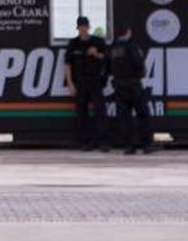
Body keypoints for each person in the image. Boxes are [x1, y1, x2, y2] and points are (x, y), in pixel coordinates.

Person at [64, 15, 109, 150]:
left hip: (95, 81)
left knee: (100, 111)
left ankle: (103, 142)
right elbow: (67, 64)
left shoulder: (98, 41)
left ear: (89, 27)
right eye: (80, 27)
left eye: (85, 26)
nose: (83, 29)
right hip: (80, 83)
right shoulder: (73, 44)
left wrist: (97, 54)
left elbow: (108, 58)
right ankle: (86, 142)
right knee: (82, 112)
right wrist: (70, 83)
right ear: (77, 28)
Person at [109, 24, 153, 155]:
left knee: (125, 117)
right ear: (128, 32)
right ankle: (146, 145)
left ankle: (129, 146)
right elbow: (139, 63)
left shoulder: (112, 48)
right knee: (143, 114)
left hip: (119, 85)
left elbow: (108, 66)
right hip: (133, 85)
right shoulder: (131, 45)